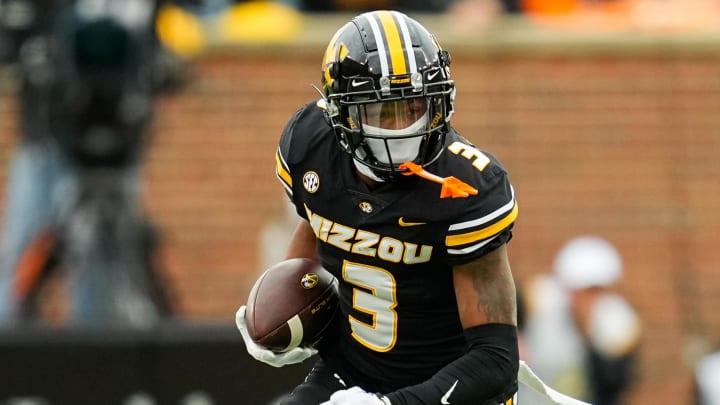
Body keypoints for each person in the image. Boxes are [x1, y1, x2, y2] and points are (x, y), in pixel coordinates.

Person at [236, 10, 520, 405]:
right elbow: (317, 229)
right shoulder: (310, 147)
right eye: (381, 111)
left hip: (450, 391)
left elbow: (495, 361)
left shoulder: (466, 189)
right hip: (351, 373)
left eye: (414, 106)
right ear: (341, 112)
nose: (403, 127)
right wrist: (284, 311)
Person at [0, 0, 179, 325]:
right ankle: (9, 349)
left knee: (105, 254)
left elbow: (152, 53)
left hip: (118, 143)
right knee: (24, 250)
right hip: (48, 140)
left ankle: (98, 352)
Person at [520, 236, 642, 405]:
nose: (584, 300)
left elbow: (614, 387)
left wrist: (588, 336)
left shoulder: (618, 328)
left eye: (593, 291)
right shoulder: (536, 307)